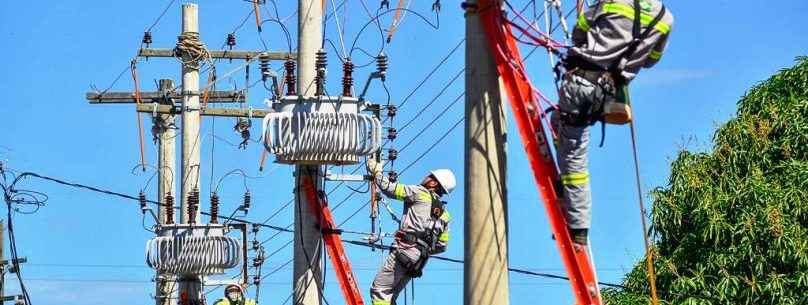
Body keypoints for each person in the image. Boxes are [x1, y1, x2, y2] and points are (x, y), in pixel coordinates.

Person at [554, 0, 674, 247]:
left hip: (581, 83)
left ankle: (578, 229)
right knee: (562, 125)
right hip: (609, 91)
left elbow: (581, 29)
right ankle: (566, 186)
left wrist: (592, 46)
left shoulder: (612, 2)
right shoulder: (665, 18)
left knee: (574, 155)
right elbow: (651, 60)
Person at [366, 159, 455, 305]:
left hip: (405, 251)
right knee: (391, 295)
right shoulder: (445, 215)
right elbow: (442, 245)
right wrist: (421, 248)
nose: (426, 177)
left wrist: (377, 172)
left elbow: (390, 189)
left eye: (429, 176)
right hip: (419, 260)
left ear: (434, 183)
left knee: (380, 290)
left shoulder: (419, 193)